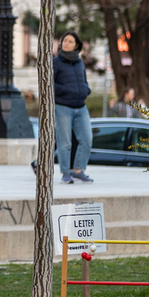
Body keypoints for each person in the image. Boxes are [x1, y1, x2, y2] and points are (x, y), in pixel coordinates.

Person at [53, 31, 93, 184]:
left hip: (81, 107)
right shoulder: (56, 62)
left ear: (76, 45)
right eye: (65, 41)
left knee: (87, 139)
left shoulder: (80, 62)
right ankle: (65, 173)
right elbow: (50, 84)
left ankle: (78, 170)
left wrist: (85, 90)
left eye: (70, 41)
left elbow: (84, 81)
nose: (66, 43)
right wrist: (66, 90)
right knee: (65, 142)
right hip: (63, 107)